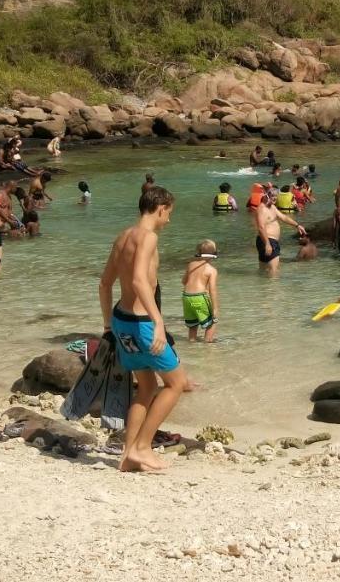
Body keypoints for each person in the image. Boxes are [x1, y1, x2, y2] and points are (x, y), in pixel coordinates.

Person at [98, 185, 187, 472]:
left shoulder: (123, 237)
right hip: (141, 323)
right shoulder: (148, 237)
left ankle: (127, 456)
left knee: (147, 386)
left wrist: (108, 325)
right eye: (169, 214)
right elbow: (138, 281)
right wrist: (158, 322)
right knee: (177, 384)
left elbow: (104, 284)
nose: (169, 220)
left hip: (121, 321)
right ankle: (143, 447)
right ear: (160, 208)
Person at [253, 191, 306, 276]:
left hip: (267, 241)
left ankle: (262, 288)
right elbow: (261, 227)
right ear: (266, 196)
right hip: (268, 241)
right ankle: (274, 288)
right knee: (274, 270)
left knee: (263, 270)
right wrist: (267, 244)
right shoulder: (262, 209)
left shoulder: (272, 207)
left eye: (276, 196)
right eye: (272, 196)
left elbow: (283, 217)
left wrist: (297, 225)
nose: (275, 198)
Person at [182, 240, 220, 343]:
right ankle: (208, 345)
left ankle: (192, 343)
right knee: (212, 322)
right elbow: (213, 290)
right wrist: (215, 308)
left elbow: (184, 281)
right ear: (214, 254)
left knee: (193, 325)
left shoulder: (191, 264)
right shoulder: (211, 270)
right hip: (200, 297)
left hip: (186, 297)